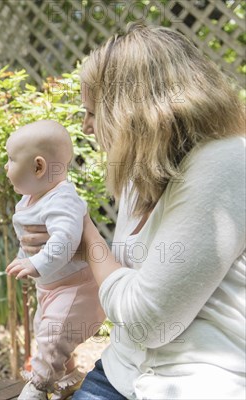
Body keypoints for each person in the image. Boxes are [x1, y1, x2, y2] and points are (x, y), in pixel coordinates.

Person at [68, 23, 245, 399]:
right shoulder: (139, 178)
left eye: (92, 112)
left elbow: (148, 321)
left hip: (199, 383)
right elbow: (127, 287)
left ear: (129, 111)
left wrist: (89, 240)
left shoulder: (228, 163)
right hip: (120, 372)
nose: (85, 126)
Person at [4, 120, 105, 400]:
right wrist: (25, 259)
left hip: (77, 288)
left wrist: (35, 265)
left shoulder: (62, 199)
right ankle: (69, 379)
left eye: (11, 160)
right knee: (48, 334)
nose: (6, 167)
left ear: (38, 167)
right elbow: (32, 241)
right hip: (51, 289)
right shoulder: (30, 199)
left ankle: (38, 387)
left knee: (53, 335)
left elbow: (65, 241)